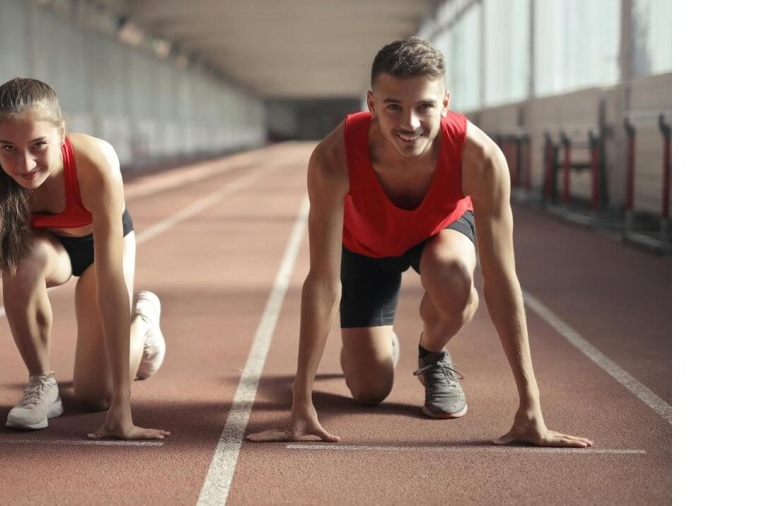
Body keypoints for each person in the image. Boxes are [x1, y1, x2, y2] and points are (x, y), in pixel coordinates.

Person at [246, 38, 592, 448]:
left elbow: (501, 281)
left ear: (445, 103)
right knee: (368, 390)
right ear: (372, 104)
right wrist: (300, 404)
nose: (410, 123)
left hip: (438, 234)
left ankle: (432, 353)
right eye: (394, 106)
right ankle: (376, 346)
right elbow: (322, 280)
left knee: (455, 281)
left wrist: (530, 405)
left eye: (424, 107)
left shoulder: (480, 158)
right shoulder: (333, 158)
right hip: (365, 247)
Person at [0, 77, 169, 440]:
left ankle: (144, 323)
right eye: (8, 147)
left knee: (96, 396)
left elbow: (110, 286)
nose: (25, 164)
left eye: (38, 145)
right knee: (20, 261)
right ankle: (42, 384)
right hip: (47, 251)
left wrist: (124, 408)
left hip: (102, 249)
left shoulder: (95, 163)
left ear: (61, 134)